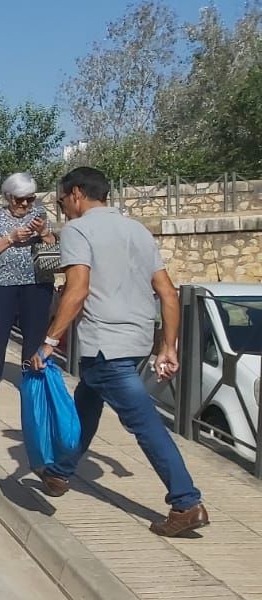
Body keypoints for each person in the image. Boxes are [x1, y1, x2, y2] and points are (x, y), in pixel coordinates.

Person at [31, 166, 207, 537]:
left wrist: (49, 342)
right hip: (138, 340)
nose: (63, 207)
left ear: (76, 194)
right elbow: (168, 293)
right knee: (87, 401)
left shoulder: (78, 230)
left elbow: (77, 289)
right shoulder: (137, 230)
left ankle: (186, 501)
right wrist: (168, 346)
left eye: (62, 199)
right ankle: (60, 473)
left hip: (105, 343)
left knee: (144, 423)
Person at [0, 172, 57, 398]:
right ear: (8, 197)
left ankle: (30, 378)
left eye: (30, 199)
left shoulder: (41, 215)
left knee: (34, 333)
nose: (24, 204)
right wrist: (11, 238)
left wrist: (44, 233)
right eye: (19, 199)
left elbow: (53, 246)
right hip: (3, 282)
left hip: (37, 282)